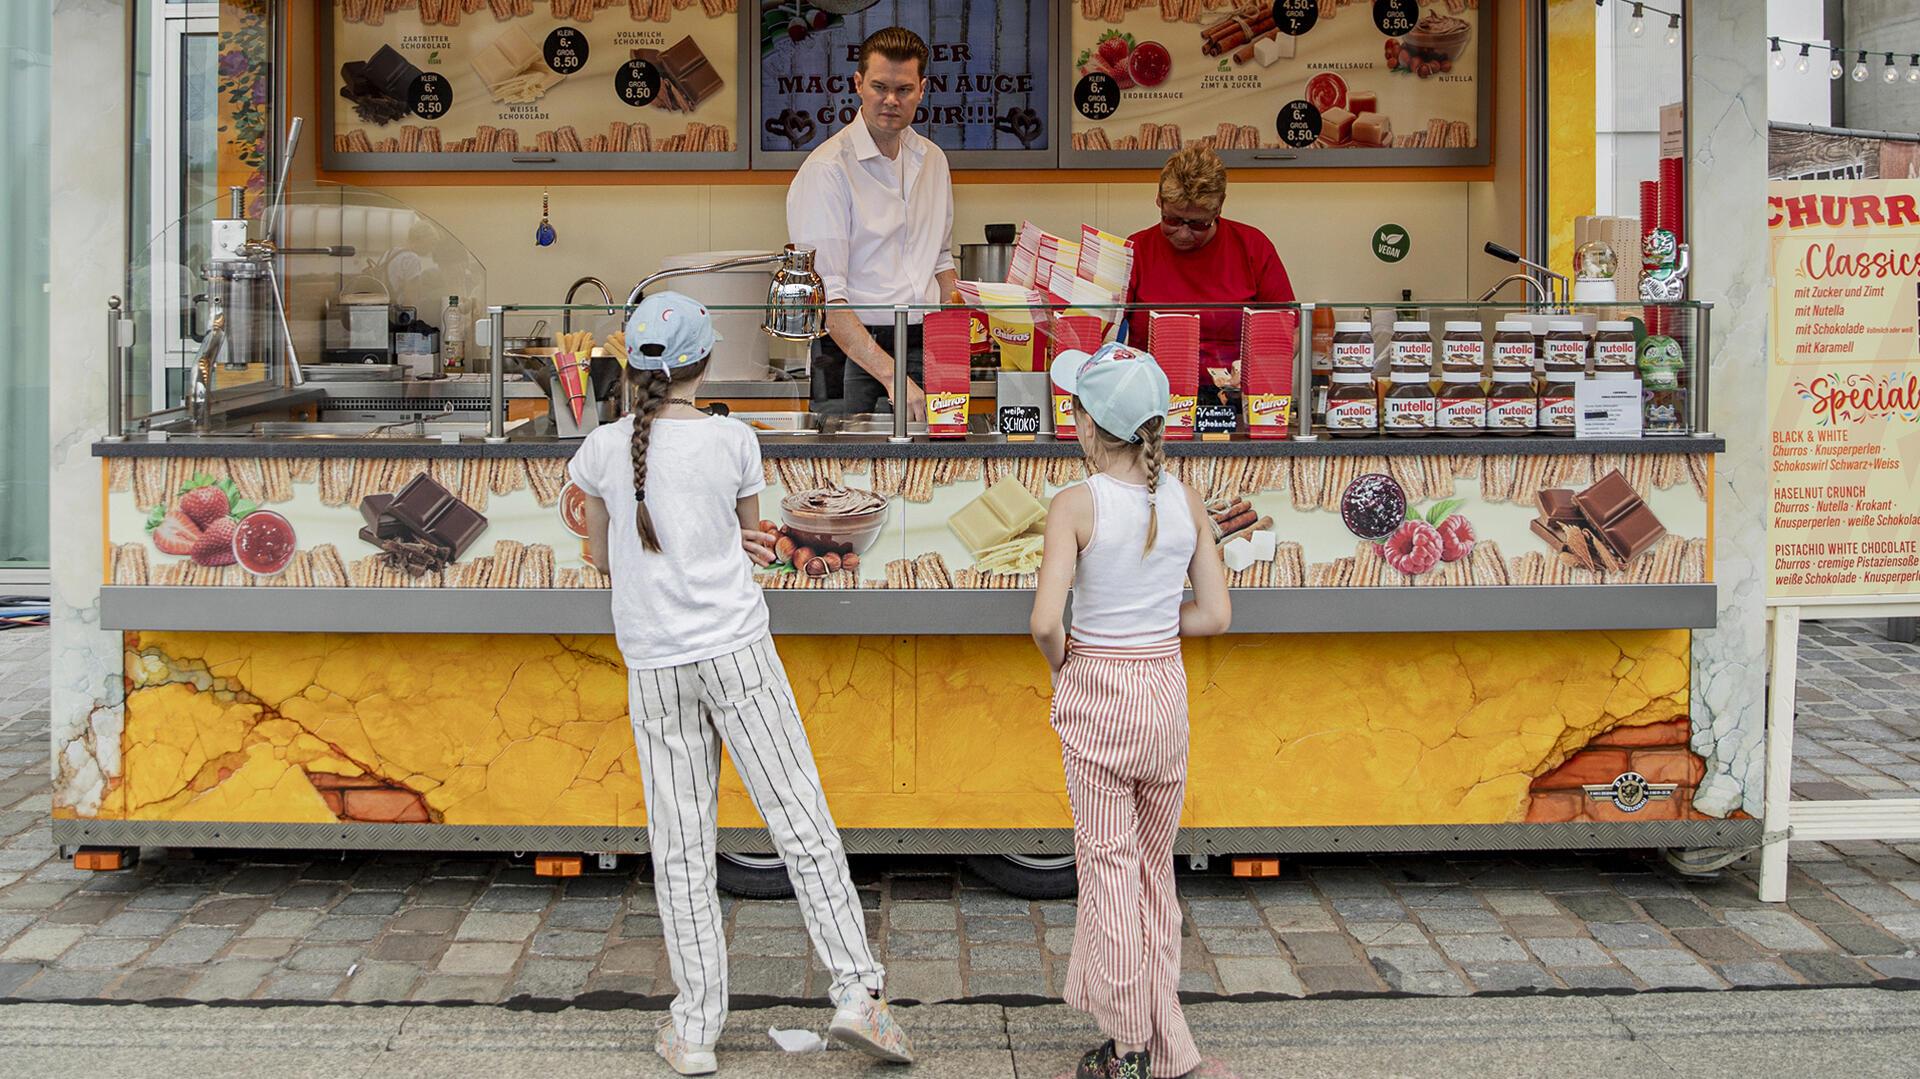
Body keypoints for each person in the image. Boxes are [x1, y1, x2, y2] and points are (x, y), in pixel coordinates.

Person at [569, 291, 914, 1076]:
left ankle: (693, 1032)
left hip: (655, 664)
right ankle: (859, 995)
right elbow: (753, 532)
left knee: (681, 846)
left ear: (632, 364)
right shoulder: (734, 440)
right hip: (737, 652)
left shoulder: (600, 449)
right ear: (705, 361)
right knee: (799, 818)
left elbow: (599, 556)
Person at [1028, 342, 1232, 1079]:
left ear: (1084, 424)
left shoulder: (1074, 505)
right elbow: (1214, 615)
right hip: (1164, 696)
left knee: (1108, 870)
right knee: (1154, 871)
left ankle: (1130, 1048)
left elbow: (1046, 622)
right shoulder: (1185, 499)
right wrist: (1150, 624)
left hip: (1099, 695)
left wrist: (1070, 663)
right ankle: (1172, 1043)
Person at [786, 26, 956, 418]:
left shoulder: (933, 159)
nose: (891, 100)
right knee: (856, 474)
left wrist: (957, 333)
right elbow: (829, 299)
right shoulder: (827, 170)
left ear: (922, 88)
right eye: (880, 87)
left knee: (935, 471)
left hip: (929, 343)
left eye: (904, 89)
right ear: (859, 84)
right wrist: (892, 376)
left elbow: (942, 261)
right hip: (857, 354)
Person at [1124, 144, 1296, 404]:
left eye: (1198, 224)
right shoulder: (1136, 250)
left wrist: (1254, 374)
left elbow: (1290, 332)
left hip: (1234, 402)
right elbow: (1104, 332)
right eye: (1171, 220)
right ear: (1159, 200)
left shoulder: (1252, 247)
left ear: (1219, 208)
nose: (1183, 234)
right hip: (1151, 402)